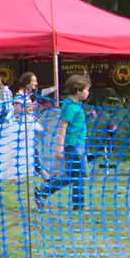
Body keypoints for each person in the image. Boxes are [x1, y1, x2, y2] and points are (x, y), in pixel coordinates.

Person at [36, 74, 92, 210]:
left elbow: (75, 124)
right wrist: (59, 147)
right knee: (81, 173)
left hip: (78, 144)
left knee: (71, 174)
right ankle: (78, 204)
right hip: (73, 145)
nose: (88, 92)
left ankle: (43, 191)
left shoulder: (75, 105)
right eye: (86, 89)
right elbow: (63, 126)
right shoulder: (70, 107)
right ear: (78, 91)